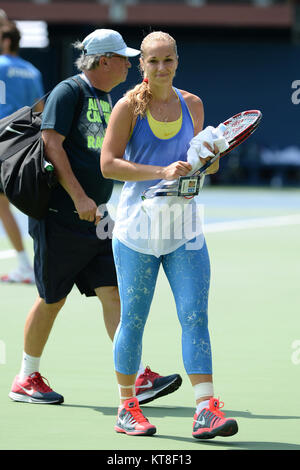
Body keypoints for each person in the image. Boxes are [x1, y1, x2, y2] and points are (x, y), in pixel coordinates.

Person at [8, 29, 182, 406]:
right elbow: (51, 144)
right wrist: (79, 197)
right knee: (52, 298)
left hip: (97, 218)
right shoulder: (69, 91)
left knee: (113, 291)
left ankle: (135, 375)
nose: (128, 64)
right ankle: (26, 376)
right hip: (60, 215)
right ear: (104, 61)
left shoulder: (105, 97)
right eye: (123, 58)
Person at [101, 31, 239, 439]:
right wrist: (160, 172)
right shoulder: (127, 107)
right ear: (141, 65)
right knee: (134, 321)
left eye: (168, 60)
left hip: (185, 229)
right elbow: (108, 164)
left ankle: (205, 409)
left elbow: (203, 167)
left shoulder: (192, 104)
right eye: (153, 61)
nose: (161, 68)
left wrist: (208, 161)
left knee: (195, 316)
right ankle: (127, 407)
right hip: (136, 230)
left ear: (177, 61)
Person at [0, 20, 44, 284]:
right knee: (32, 204)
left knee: (3, 206)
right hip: (27, 143)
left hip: (2, 141)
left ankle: (25, 266)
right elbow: (39, 108)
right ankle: (37, 264)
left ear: (6, 41)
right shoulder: (33, 70)